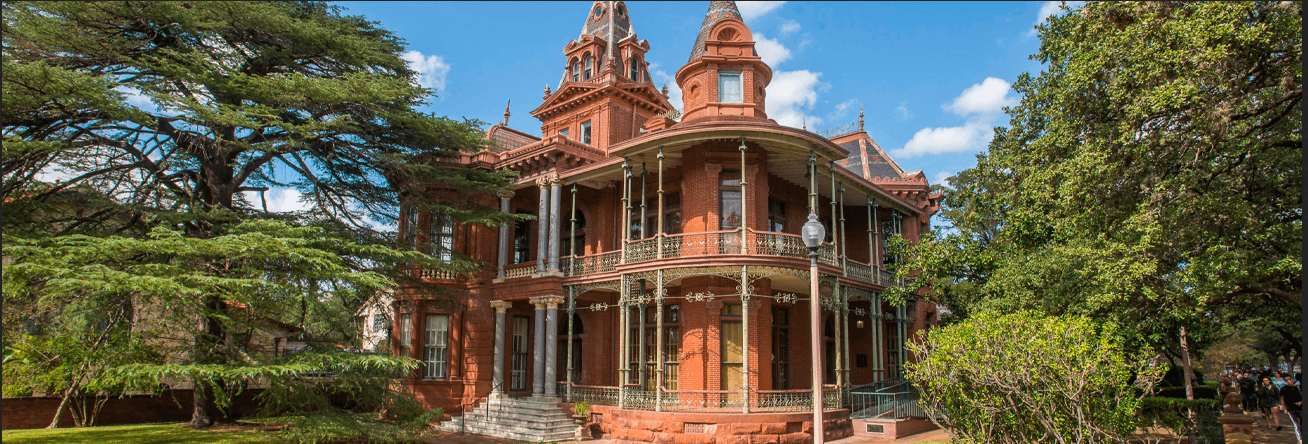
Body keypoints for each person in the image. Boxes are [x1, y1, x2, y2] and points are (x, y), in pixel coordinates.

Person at [1283, 375, 1302, 442]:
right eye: (1287, 380)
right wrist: (1285, 408)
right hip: (1291, 408)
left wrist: (1301, 402)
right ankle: (1300, 439)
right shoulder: (1284, 389)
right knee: (1296, 424)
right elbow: (1282, 399)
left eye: (1290, 379)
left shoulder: (1298, 387)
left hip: (1301, 408)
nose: (1289, 381)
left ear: (1292, 379)